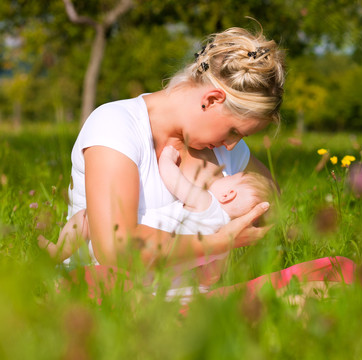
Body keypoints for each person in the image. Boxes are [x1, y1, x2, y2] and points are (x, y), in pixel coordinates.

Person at [58, 26, 285, 268]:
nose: (231, 147)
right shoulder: (117, 125)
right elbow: (115, 248)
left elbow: (273, 205)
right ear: (211, 100)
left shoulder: (224, 149)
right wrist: (222, 241)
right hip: (108, 293)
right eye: (234, 132)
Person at [38, 144, 276, 269]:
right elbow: (208, 278)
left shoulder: (208, 204)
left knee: (87, 217)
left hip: (131, 238)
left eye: (227, 177)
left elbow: (175, 182)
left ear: (228, 193)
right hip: (151, 265)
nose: (222, 175)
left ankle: (58, 251)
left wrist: (167, 158)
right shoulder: (224, 240)